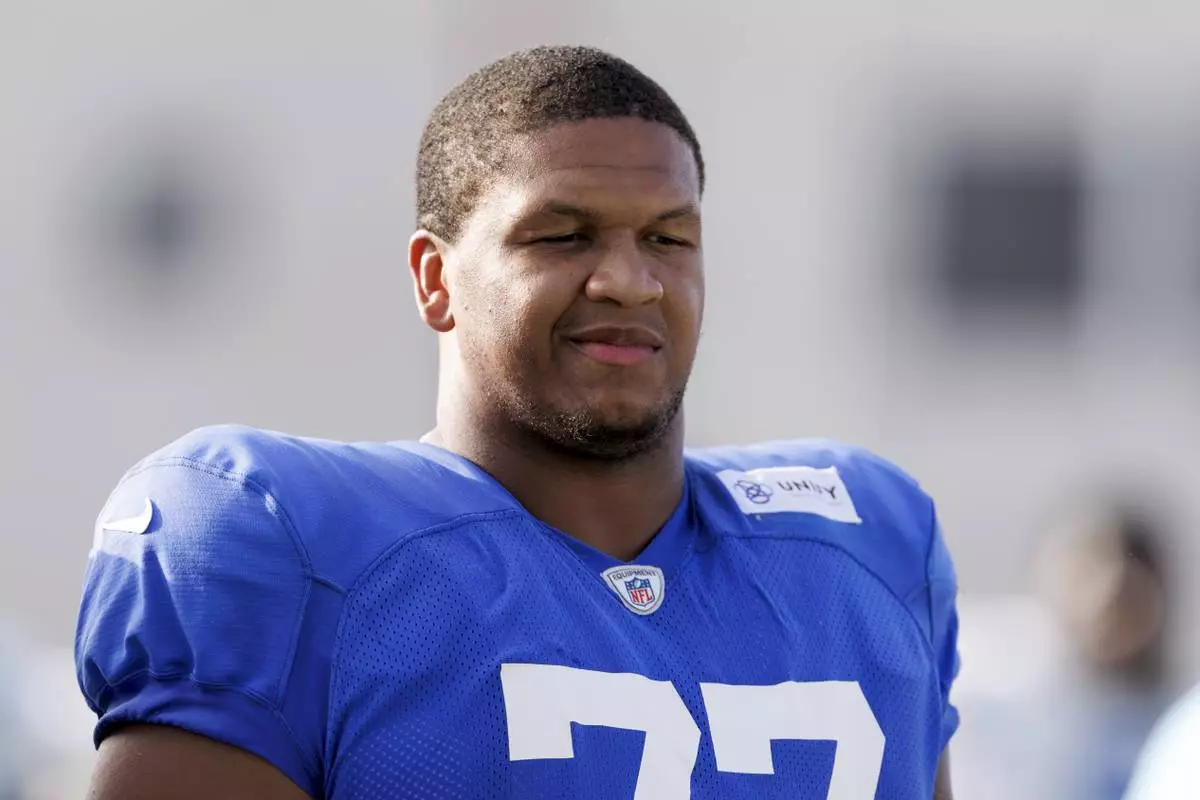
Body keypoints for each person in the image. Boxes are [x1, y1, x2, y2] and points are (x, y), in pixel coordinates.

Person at [75, 46, 959, 799]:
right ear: (435, 279)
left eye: (668, 238)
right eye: (562, 236)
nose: (630, 280)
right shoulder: (276, 535)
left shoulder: (863, 547)